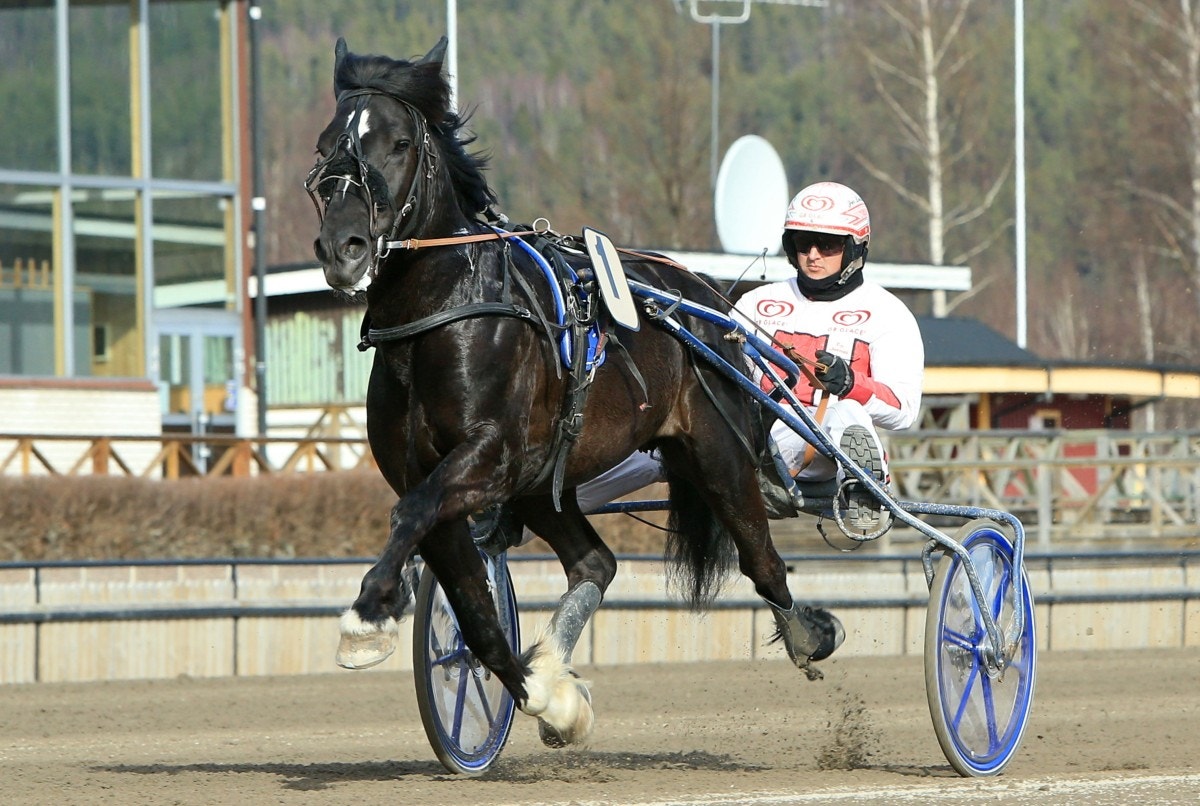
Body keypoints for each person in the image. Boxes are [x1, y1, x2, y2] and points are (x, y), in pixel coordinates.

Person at [733, 181, 924, 531]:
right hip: (753, 440)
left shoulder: (889, 314)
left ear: (854, 249)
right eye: (803, 243)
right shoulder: (755, 304)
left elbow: (904, 409)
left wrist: (851, 383)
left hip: (824, 444)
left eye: (829, 244)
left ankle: (866, 488)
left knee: (845, 409)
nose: (814, 254)